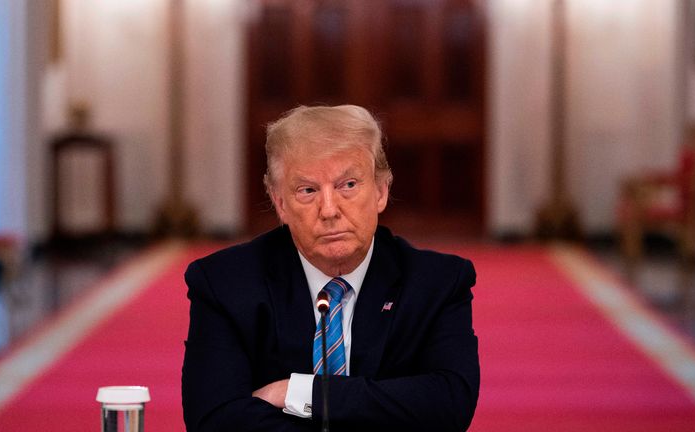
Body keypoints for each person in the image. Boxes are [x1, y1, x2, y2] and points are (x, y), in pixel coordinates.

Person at [182, 105, 479, 431]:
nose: (329, 210)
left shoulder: (437, 283)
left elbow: (448, 405)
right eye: (307, 190)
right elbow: (213, 419)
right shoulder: (225, 284)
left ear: (381, 191)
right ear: (279, 202)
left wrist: (302, 392)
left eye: (348, 185)